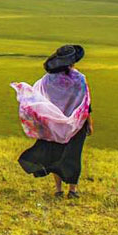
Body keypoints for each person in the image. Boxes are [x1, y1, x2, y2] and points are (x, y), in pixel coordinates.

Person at [10, 44, 93, 198]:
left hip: (54, 125)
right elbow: (85, 104)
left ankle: (58, 189)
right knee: (73, 154)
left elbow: (39, 98)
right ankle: (73, 190)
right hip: (76, 124)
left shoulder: (48, 79)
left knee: (56, 154)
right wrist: (89, 122)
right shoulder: (79, 78)